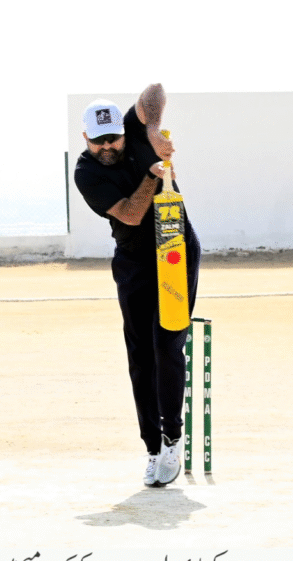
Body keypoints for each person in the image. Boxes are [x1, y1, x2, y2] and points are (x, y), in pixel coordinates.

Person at [74, 84, 201, 487]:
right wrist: (152, 174)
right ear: (86, 138)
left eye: (113, 138)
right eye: (98, 141)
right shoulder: (86, 172)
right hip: (133, 260)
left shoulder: (134, 130)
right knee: (140, 356)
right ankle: (153, 447)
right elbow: (129, 213)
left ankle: (172, 439)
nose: (107, 146)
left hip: (175, 249)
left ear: (123, 130)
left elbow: (155, 91)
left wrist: (152, 130)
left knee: (167, 342)